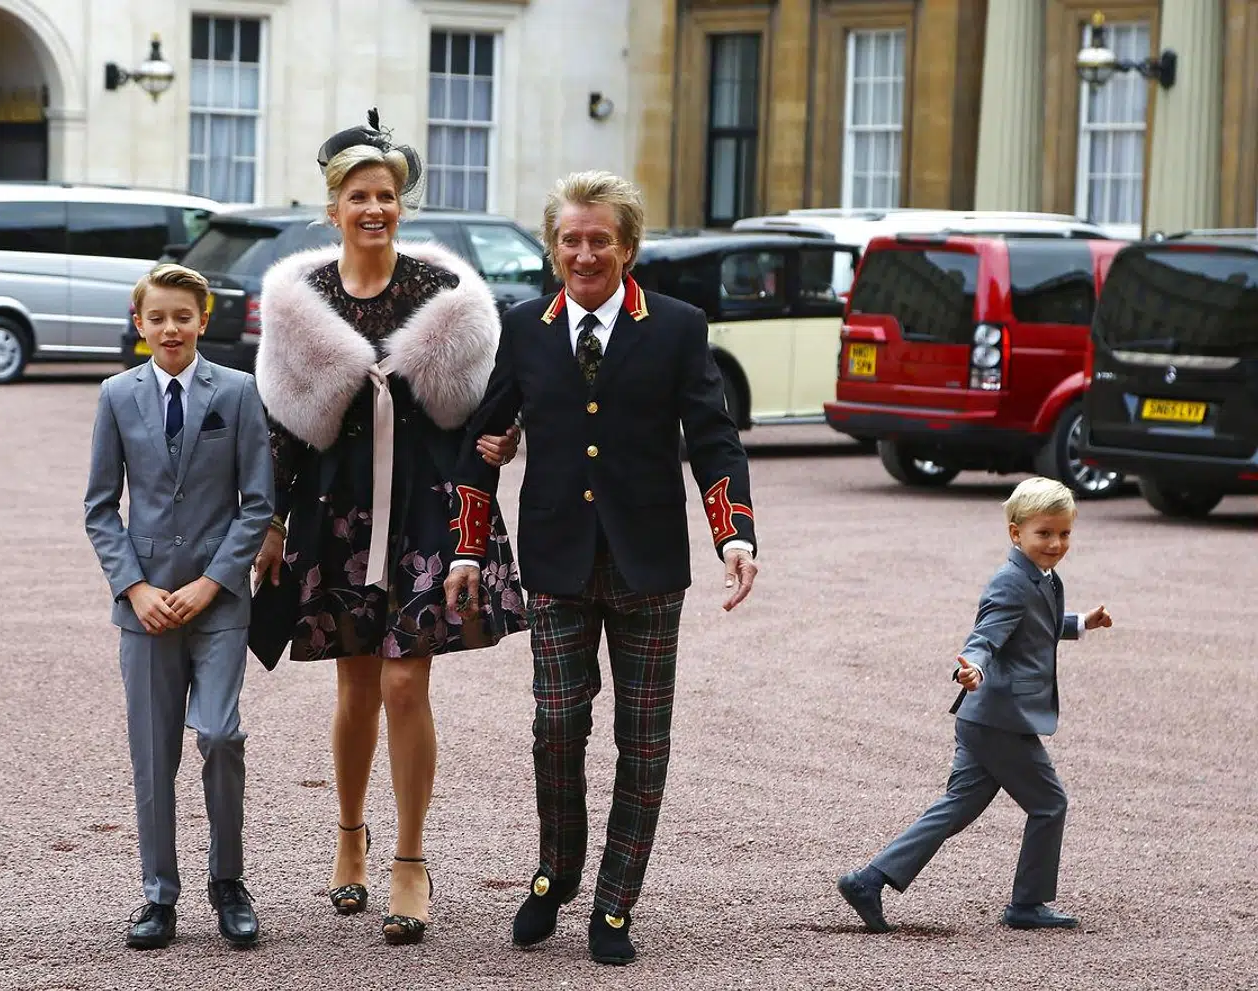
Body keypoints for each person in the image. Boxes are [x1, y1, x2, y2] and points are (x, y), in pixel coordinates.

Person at [444, 170, 760, 965]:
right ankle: (557, 870)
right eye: (570, 239)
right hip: (556, 557)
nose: (585, 254)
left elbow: (714, 436)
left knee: (642, 740)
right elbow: (482, 441)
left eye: (600, 240)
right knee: (556, 725)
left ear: (627, 246)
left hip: (649, 563)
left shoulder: (680, 326)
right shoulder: (524, 327)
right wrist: (466, 546)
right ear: (554, 246)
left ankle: (616, 903)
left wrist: (734, 534)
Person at [247, 110, 525, 946]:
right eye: (360, 196)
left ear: (402, 203)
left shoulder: (449, 298)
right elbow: (281, 426)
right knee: (354, 683)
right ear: (331, 207)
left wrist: (508, 441)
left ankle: (409, 857)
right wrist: (267, 522)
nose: (376, 208)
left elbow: (491, 404)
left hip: (428, 509)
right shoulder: (301, 304)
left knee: (408, 681)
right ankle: (347, 837)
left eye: (388, 195)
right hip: (335, 508)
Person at [83, 263, 274, 949]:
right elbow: (100, 506)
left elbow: (258, 502)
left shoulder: (240, 392)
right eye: (157, 317)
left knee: (220, 733)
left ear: (204, 319)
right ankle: (158, 894)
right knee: (153, 751)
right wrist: (133, 587)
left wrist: (213, 581)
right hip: (145, 606)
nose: (170, 328)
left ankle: (229, 881)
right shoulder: (115, 395)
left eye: (182, 317)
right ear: (140, 323)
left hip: (216, 602)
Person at [837, 476, 1114, 933]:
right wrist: (974, 668)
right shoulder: (1009, 582)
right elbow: (985, 637)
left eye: (1064, 533)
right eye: (1044, 533)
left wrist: (1082, 622)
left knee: (957, 806)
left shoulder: (1042, 577)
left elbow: (1037, 623)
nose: (1056, 543)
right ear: (1015, 533)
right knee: (1050, 804)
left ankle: (869, 879)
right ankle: (1027, 904)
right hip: (1000, 719)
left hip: (984, 718)